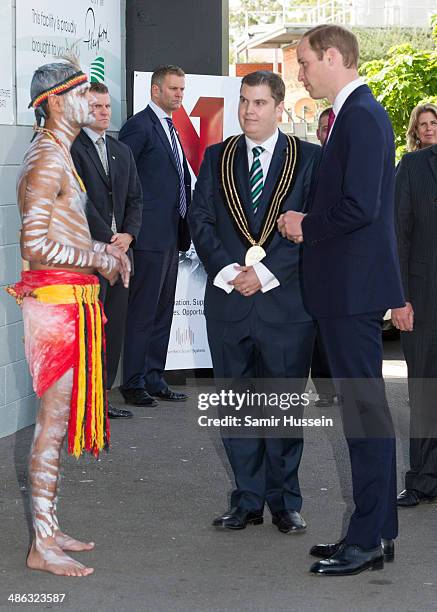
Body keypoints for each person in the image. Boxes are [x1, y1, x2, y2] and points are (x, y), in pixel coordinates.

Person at [278, 25, 405, 576]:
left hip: (351, 292)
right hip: (347, 289)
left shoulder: (362, 116)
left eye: (304, 62)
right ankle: (375, 531)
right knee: (363, 410)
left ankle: (368, 539)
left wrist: (307, 224)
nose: (301, 72)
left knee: (363, 413)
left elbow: (362, 207)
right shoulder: (356, 117)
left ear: (333, 56)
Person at [7, 59, 130, 576]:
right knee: (52, 425)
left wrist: (104, 248)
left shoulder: (60, 154)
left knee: (55, 424)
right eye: (80, 92)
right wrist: (100, 258)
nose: (92, 100)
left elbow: (67, 233)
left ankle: (49, 529)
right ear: (55, 101)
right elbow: (34, 244)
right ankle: (41, 545)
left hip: (70, 300)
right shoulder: (47, 159)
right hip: (56, 303)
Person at [189, 71, 320, 534]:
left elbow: (312, 228)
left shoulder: (309, 159)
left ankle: (285, 501)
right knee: (236, 402)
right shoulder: (217, 156)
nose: (249, 111)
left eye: (260, 103)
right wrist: (229, 272)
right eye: (245, 101)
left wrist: (262, 274)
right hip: (229, 300)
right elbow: (199, 218)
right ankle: (247, 499)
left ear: (279, 107)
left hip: (285, 305)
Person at [118, 65, 191, 407]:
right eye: (173, 89)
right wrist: (128, 230)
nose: (179, 94)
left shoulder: (171, 128)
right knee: (143, 313)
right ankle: (133, 383)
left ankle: (153, 377)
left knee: (163, 313)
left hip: (170, 236)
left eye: (181, 89)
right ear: (155, 91)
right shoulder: (140, 126)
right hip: (146, 238)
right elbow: (123, 178)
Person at [71, 82, 143, 419]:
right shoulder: (71, 149)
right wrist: (108, 241)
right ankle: (86, 403)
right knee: (89, 330)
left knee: (112, 328)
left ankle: (102, 399)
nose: (103, 112)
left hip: (121, 254)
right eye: (96, 106)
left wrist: (127, 235)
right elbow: (80, 205)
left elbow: (135, 199)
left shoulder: (121, 150)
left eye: (107, 107)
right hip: (90, 256)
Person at [392, 105, 437, 507]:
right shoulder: (413, 166)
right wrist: (399, 298)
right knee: (424, 390)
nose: (429, 129)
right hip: (422, 301)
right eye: (423, 125)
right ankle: (422, 480)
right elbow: (398, 236)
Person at [311, 107, 337, 409]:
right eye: (321, 127)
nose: (324, 132)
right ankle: (325, 389)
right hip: (314, 255)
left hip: (342, 259)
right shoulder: (311, 162)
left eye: (329, 127)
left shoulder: (348, 163)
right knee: (318, 329)